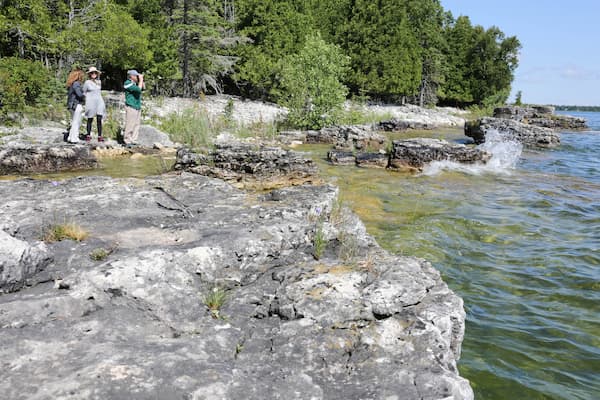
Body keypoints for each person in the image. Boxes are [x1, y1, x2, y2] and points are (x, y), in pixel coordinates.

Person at [83, 66, 106, 142]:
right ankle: (88, 135)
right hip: (91, 102)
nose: (94, 74)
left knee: (99, 118)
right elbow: (84, 92)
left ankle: (100, 136)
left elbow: (99, 91)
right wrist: (86, 99)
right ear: (89, 74)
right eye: (92, 73)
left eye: (95, 73)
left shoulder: (99, 82)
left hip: (99, 101)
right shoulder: (87, 82)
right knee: (90, 118)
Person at [123, 69, 144, 147]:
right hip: (131, 106)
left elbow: (143, 88)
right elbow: (138, 90)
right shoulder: (127, 83)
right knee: (130, 124)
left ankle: (134, 139)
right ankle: (127, 140)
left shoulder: (135, 83)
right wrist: (141, 80)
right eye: (136, 75)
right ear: (131, 76)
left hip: (137, 106)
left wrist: (141, 81)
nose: (137, 77)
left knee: (136, 124)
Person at [66, 68, 85, 143]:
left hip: (71, 105)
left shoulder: (71, 84)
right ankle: (74, 138)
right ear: (78, 76)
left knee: (74, 121)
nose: (82, 77)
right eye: (81, 75)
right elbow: (79, 95)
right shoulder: (76, 84)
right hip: (76, 105)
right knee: (76, 122)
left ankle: (70, 137)